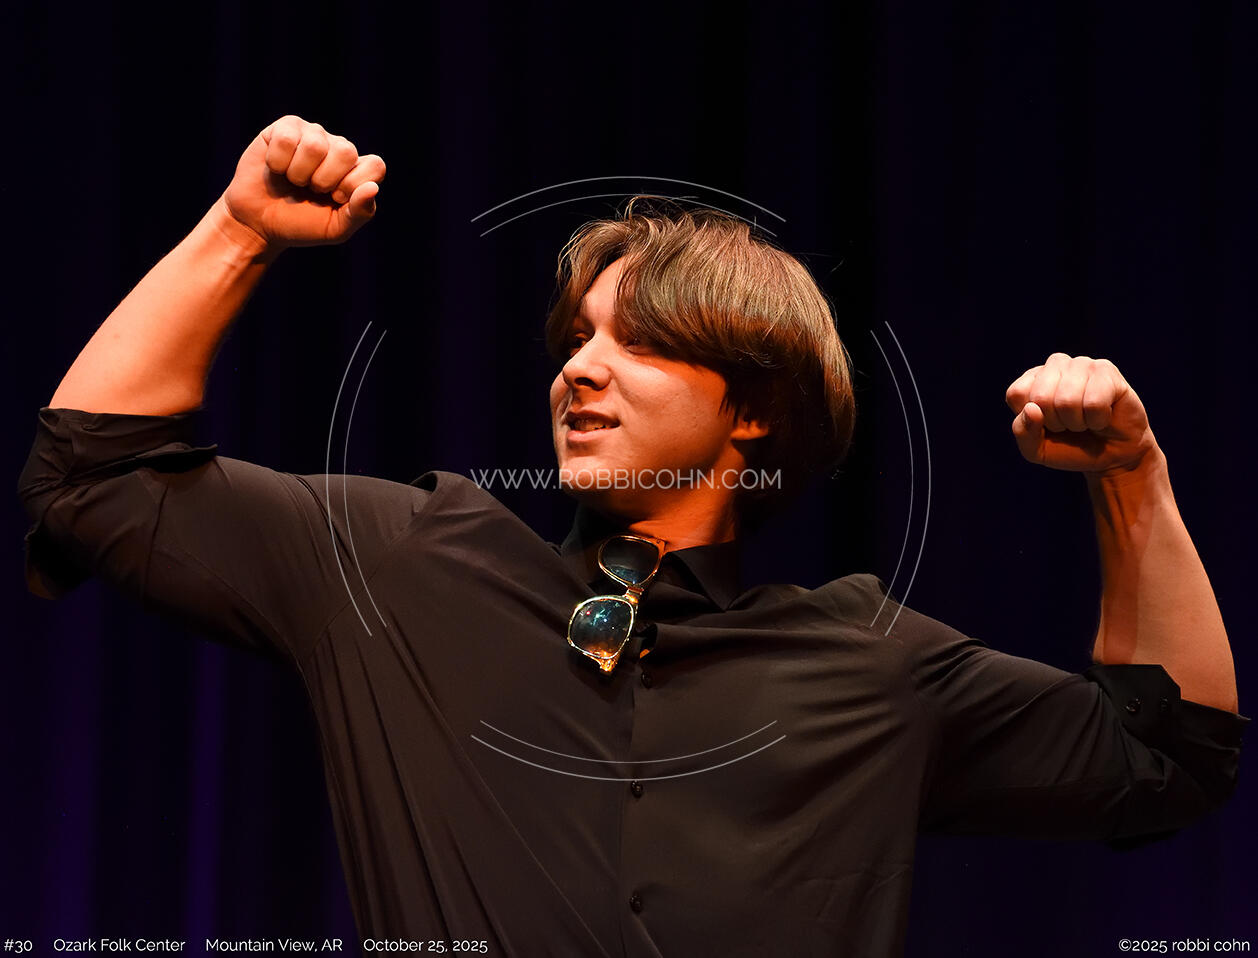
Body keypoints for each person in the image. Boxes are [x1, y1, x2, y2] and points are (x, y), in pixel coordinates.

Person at [17, 115, 1247, 958]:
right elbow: (91, 475)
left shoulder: (872, 665)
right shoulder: (407, 562)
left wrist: (1130, 477)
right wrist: (238, 232)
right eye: (575, 341)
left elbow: (1168, 752)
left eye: (639, 341)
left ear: (751, 407)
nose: (579, 369)